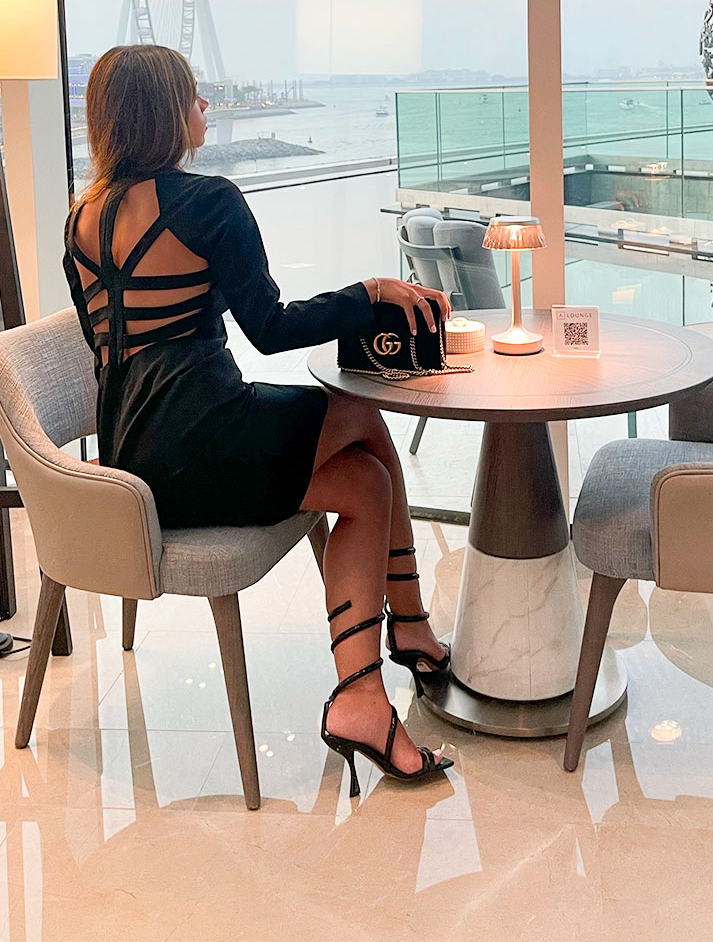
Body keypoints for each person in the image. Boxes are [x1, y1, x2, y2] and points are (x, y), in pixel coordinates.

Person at [64, 44, 453, 792]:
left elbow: (107, 351)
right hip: (206, 440)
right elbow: (270, 328)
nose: (205, 106)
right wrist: (370, 293)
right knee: (361, 413)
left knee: (365, 481)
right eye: (194, 95)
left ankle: (366, 693)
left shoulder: (80, 219)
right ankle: (408, 628)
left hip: (130, 468)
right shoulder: (210, 202)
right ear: (165, 112)